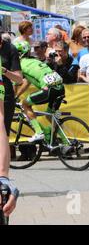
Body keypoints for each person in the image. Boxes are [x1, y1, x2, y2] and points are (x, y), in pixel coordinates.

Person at [13, 41, 65, 143]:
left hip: (49, 89)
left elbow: (17, 82)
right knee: (50, 116)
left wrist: (14, 96)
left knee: (25, 104)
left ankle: (39, 132)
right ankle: (66, 141)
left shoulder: (19, 65)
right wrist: (17, 95)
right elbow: (27, 82)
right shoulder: (35, 61)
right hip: (60, 88)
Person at [0, 41, 20, 217]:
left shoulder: (10, 49)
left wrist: (4, 71)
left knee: (1, 128)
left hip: (5, 97)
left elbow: (20, 79)